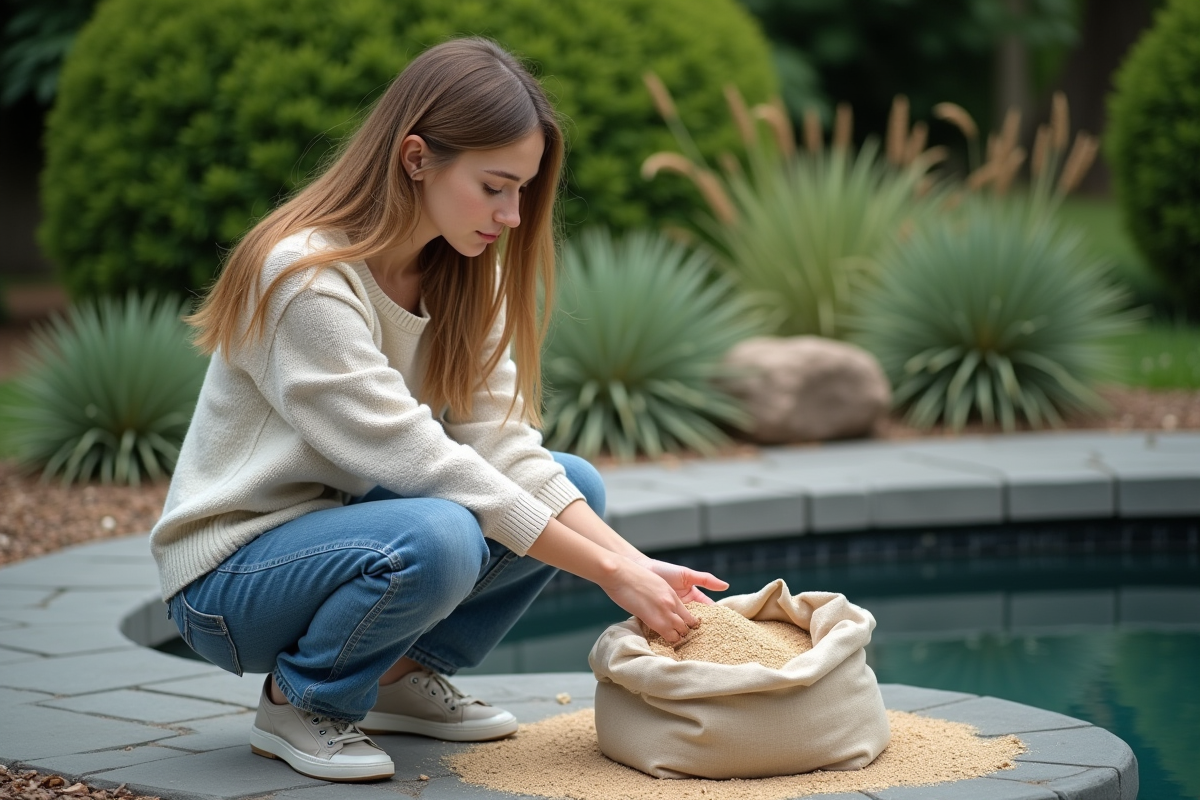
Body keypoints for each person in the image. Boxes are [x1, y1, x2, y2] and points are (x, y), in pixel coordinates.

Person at [150, 36, 728, 783]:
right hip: (232, 580)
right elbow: (418, 460)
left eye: (520, 190)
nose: (513, 216)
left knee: (571, 481)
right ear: (416, 157)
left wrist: (631, 559)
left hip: (351, 536)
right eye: (495, 186)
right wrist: (607, 572)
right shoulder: (303, 274)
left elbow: (506, 449)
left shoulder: (463, 273)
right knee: (443, 531)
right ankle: (300, 701)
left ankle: (395, 680)